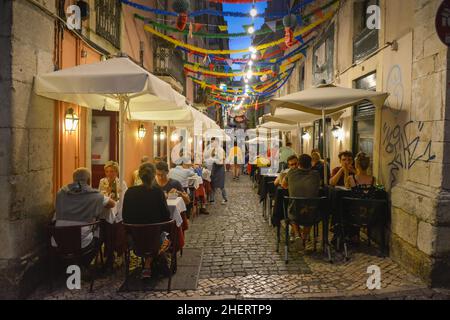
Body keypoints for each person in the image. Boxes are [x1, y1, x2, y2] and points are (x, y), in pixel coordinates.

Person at [53, 168, 116, 265]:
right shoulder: (94, 195)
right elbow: (112, 204)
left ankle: (71, 265)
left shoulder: (61, 192)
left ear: (73, 179)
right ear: (89, 180)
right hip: (81, 242)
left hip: (59, 240)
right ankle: (84, 264)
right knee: (102, 229)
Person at [122, 163, 171, 278]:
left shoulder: (130, 192)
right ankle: (155, 259)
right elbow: (166, 215)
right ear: (154, 175)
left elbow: (125, 216)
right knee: (166, 232)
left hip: (135, 239)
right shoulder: (158, 192)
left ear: (139, 175)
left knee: (148, 232)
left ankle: (148, 264)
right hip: (155, 239)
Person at [282, 154, 320, 242]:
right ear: (310, 164)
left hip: (295, 212)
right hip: (312, 213)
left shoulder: (291, 173)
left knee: (292, 210)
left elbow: (283, 185)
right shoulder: (316, 174)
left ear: (298, 163)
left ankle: (297, 233)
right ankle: (305, 236)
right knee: (310, 207)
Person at [98, 161, 128, 270]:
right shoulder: (102, 181)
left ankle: (117, 254)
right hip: (106, 210)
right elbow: (100, 195)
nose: (109, 174)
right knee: (105, 227)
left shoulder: (121, 183)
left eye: (112, 171)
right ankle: (108, 254)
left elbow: (123, 200)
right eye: (107, 171)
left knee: (116, 229)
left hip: (118, 211)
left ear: (116, 172)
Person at [205, 137, 228, 205]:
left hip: (220, 168)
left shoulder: (221, 150)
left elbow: (222, 161)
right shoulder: (212, 149)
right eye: (211, 142)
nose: (212, 143)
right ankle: (212, 199)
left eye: (213, 142)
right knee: (213, 184)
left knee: (221, 185)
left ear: (217, 142)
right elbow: (207, 156)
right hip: (214, 168)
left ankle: (225, 198)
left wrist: (215, 160)